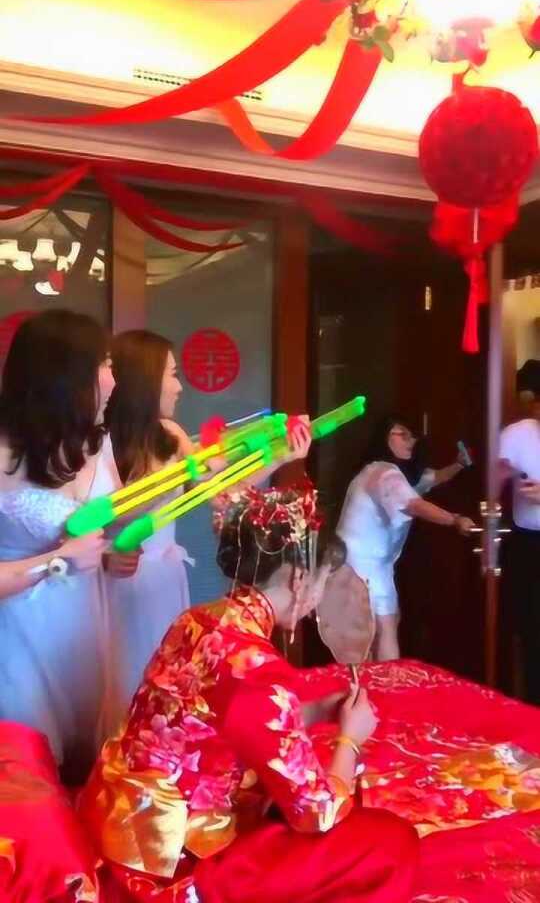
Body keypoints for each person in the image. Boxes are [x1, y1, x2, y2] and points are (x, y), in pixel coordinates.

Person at [79, 482, 418, 903]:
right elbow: (317, 813)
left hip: (120, 817)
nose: (316, 599)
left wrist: (312, 713)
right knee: (389, 841)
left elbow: (221, 717)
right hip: (173, 858)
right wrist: (349, 740)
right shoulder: (258, 669)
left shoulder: (196, 619)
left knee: (273, 794)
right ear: (298, 578)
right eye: (320, 582)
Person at [102, 329, 312, 732]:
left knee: (154, 685)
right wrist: (184, 474)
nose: (179, 387)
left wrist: (281, 456)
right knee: (121, 684)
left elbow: (221, 490)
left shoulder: (169, 434)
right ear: (145, 380)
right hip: (118, 576)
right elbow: (111, 515)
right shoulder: (109, 439)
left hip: (161, 577)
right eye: (171, 374)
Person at [0, 309, 117, 772]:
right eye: (104, 365)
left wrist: (116, 551)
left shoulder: (96, 443)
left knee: (86, 768)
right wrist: (57, 561)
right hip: (18, 634)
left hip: (84, 626)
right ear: (66, 375)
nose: (113, 380)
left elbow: (113, 521)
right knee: (29, 771)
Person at [337, 415, 475, 661]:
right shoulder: (382, 472)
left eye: (412, 436)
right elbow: (414, 505)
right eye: (403, 435)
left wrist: (459, 464)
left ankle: (378, 682)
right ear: (385, 438)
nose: (411, 441)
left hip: (371, 567)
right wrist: (455, 520)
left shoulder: (399, 475)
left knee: (383, 627)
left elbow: (434, 478)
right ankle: (380, 683)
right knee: (378, 632)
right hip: (358, 567)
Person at [499, 365, 540, 704]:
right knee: (528, 631)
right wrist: (502, 472)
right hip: (526, 543)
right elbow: (491, 480)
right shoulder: (517, 434)